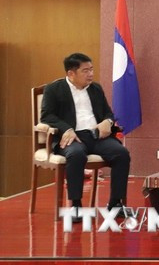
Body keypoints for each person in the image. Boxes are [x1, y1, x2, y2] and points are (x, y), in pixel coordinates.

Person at [40, 53, 131, 222]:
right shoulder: (54, 89)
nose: (90, 74)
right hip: (71, 138)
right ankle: (75, 205)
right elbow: (46, 116)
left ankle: (115, 204)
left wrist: (107, 121)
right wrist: (66, 128)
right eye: (85, 71)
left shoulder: (95, 88)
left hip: (96, 136)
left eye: (91, 69)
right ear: (71, 73)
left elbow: (108, 112)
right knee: (76, 155)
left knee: (121, 153)